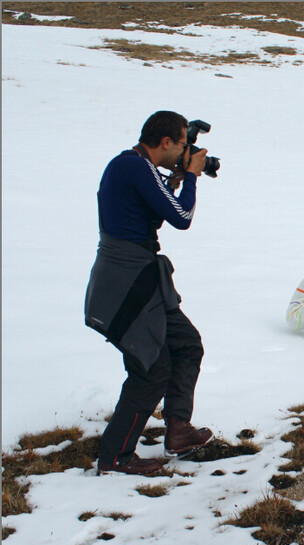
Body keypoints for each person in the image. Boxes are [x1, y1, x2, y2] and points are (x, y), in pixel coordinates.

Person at [84, 111, 214, 476]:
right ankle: (115, 457)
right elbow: (181, 216)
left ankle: (178, 430)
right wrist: (190, 177)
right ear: (167, 142)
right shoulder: (134, 167)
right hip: (127, 284)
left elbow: (154, 210)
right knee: (150, 370)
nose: (186, 152)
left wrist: (176, 177)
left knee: (186, 345)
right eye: (183, 146)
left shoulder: (136, 168)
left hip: (139, 279)